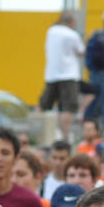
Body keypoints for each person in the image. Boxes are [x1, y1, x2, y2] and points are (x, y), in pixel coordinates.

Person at [40, 12, 85, 140]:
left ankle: (42, 134)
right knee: (68, 108)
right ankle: (65, 136)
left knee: (45, 105)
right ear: (71, 22)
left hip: (51, 74)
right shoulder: (73, 35)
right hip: (69, 74)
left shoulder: (51, 31)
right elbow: (81, 52)